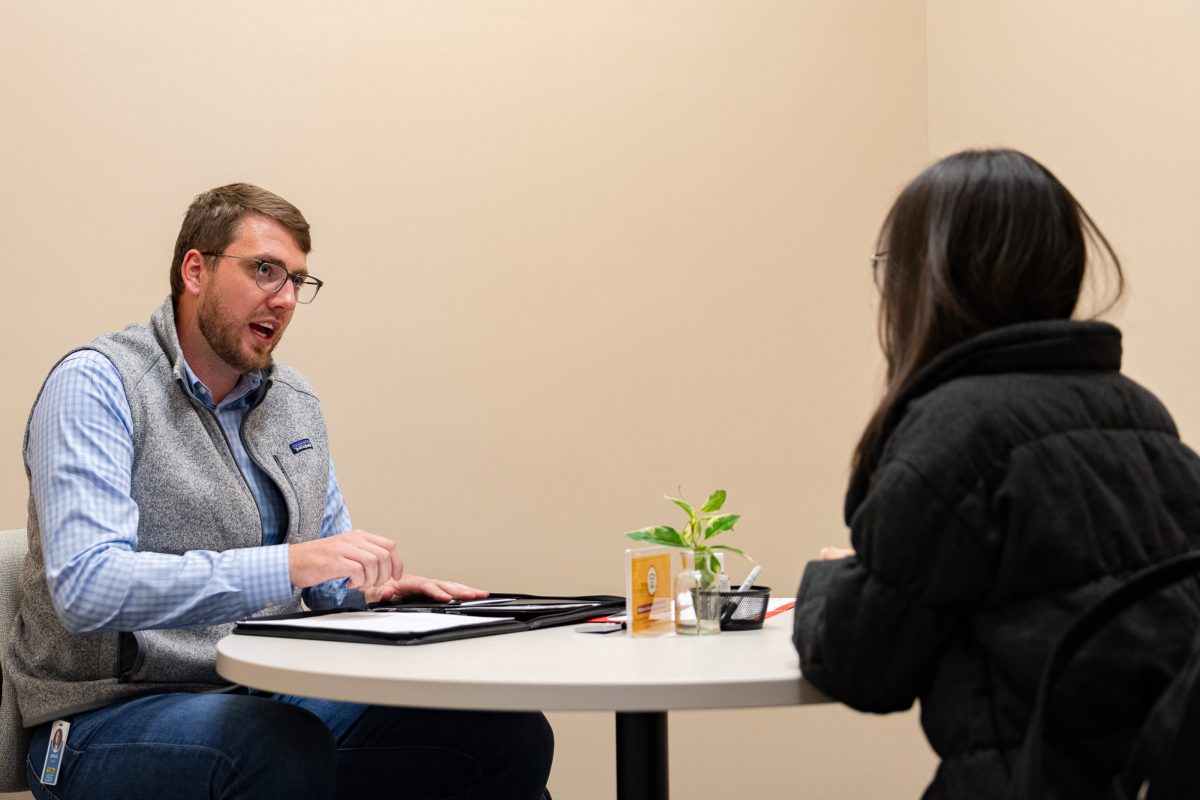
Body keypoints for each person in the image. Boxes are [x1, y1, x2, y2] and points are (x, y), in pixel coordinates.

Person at [4, 183, 554, 799]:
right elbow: (89, 590)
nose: (286, 298)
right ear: (196, 270)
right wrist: (292, 565)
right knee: (274, 748)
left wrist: (365, 592)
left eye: (297, 280)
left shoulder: (293, 403)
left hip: (266, 698)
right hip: (100, 720)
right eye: (266, 271)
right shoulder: (98, 385)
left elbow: (319, 572)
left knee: (504, 733)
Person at [792, 149, 1200, 799]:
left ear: (920, 278)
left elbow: (860, 668)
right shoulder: (1140, 412)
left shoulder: (955, 433)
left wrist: (832, 579)